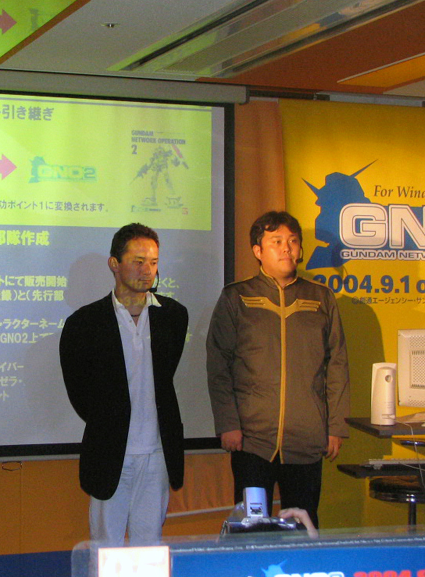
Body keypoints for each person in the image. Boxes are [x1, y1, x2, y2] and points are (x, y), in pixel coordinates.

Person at [206, 210, 350, 528]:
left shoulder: (321, 298)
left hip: (306, 440)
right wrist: (228, 423)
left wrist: (336, 426)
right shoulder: (237, 297)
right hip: (252, 441)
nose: (286, 248)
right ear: (258, 250)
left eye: (292, 241)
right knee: (251, 528)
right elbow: (218, 365)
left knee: (303, 527)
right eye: (276, 241)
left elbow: (337, 364)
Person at [59, 223, 188, 546]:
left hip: (157, 452)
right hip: (110, 451)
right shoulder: (84, 324)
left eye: (154, 262)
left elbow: (166, 375)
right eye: (138, 261)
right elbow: (79, 393)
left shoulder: (173, 315)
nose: (147, 270)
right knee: (106, 546)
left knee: (150, 544)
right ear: (114, 264)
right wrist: (109, 420)